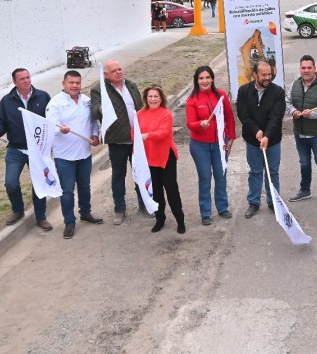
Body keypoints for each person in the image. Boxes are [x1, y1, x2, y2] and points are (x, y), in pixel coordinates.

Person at [0, 68, 53, 230]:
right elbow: (1, 121)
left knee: (39, 185)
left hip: (37, 150)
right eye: (22, 79)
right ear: (15, 82)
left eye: (28, 77)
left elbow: (51, 120)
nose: (26, 81)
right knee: (10, 183)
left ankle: (41, 217)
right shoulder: (7, 101)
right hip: (15, 150)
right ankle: (17, 210)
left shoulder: (43, 96)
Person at [46, 70, 102, 239]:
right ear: (64, 84)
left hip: (84, 153)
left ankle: (85, 213)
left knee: (85, 187)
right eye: (71, 83)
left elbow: (92, 121)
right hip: (64, 157)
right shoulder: (55, 103)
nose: (75, 86)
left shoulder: (86, 101)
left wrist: (94, 135)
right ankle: (69, 222)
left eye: (77, 82)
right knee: (67, 191)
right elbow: (50, 126)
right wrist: (60, 130)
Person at [90, 60, 145, 225]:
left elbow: (141, 108)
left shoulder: (131, 85)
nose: (119, 72)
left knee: (140, 174)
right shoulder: (99, 89)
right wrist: (101, 109)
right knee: (118, 177)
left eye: (120, 69)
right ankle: (119, 209)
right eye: (114, 71)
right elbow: (94, 109)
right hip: (117, 141)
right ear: (106, 75)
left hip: (136, 141)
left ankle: (144, 204)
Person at [186, 66, 236, 225]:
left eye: (207, 77)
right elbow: (190, 124)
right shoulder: (193, 99)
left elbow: (229, 116)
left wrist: (232, 137)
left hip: (220, 144)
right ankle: (205, 212)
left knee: (221, 177)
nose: (205, 81)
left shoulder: (221, 95)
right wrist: (200, 124)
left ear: (212, 79)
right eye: (201, 78)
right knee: (205, 178)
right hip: (200, 146)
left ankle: (222, 207)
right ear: (197, 80)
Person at [236, 60, 285, 218]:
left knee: (273, 172)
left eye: (269, 74)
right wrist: (256, 131)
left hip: (273, 140)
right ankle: (254, 202)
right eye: (264, 75)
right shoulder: (243, 91)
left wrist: (267, 136)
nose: (267, 78)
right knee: (255, 171)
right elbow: (243, 115)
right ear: (255, 74)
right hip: (252, 140)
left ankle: (273, 202)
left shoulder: (278, 92)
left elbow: (276, 117)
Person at [286, 55, 317, 211]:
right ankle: (305, 190)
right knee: (304, 163)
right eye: (303, 68)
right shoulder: (294, 84)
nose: (306, 70)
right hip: (299, 132)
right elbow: (287, 102)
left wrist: (311, 114)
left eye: (309, 67)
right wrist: (293, 111)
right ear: (300, 69)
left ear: (315, 68)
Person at [137, 85, 186, 234]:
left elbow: (163, 133)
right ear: (146, 98)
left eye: (155, 96)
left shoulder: (166, 114)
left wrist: (147, 135)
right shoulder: (139, 114)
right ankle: (160, 218)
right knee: (156, 191)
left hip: (165, 157)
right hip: (149, 157)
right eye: (150, 96)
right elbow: (133, 133)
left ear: (161, 98)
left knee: (171, 190)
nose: (152, 99)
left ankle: (180, 220)